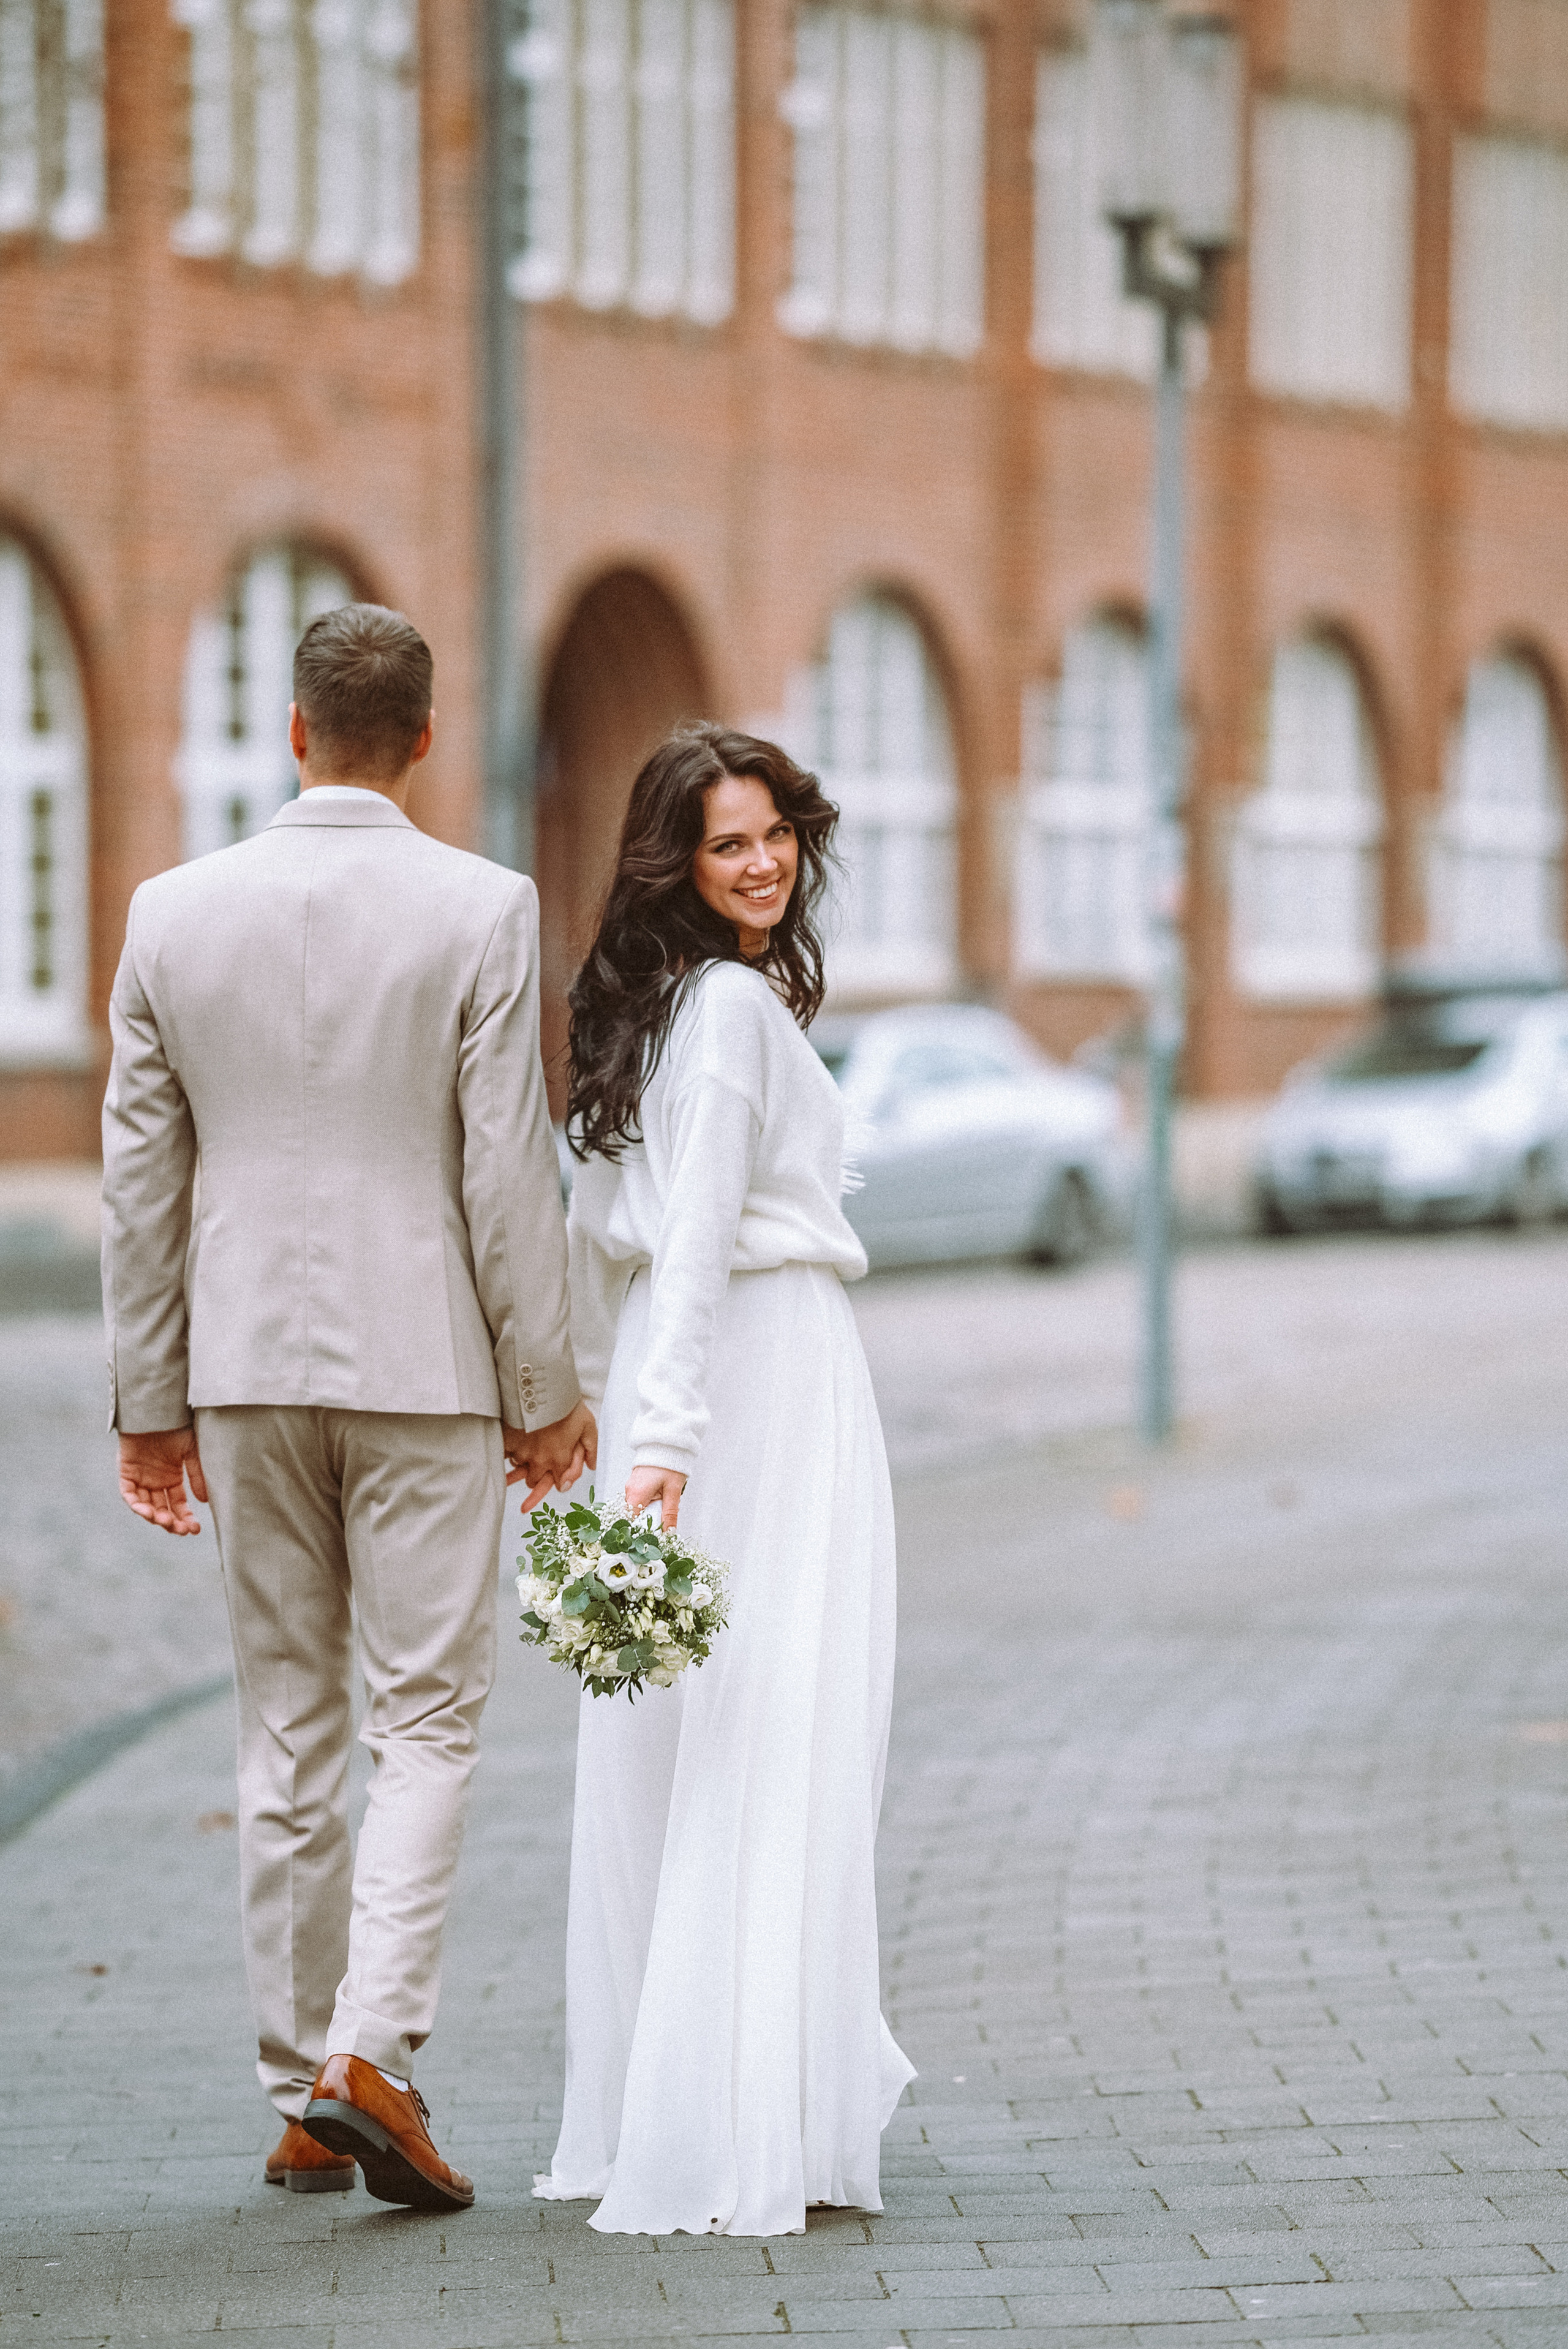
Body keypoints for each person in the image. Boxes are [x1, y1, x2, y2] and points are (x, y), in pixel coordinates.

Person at [100, 603, 595, 2211]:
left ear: (296, 729)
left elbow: (140, 1181)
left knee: (286, 1726)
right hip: (425, 1367)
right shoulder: (482, 906)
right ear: (426, 738)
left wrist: (148, 1400)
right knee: (426, 1718)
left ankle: (302, 2090)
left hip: (244, 1368)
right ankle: (368, 2052)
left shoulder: (170, 914)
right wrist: (545, 1388)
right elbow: (506, 1165)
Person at [533, 723, 914, 2238]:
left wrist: (599, 1403)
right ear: (675, 865)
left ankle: (681, 2103)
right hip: (756, 1381)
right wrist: (660, 1451)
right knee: (776, 1730)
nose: (762, 864)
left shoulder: (656, 1009)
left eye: (774, 835)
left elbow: (595, 1234)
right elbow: (686, 1240)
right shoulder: (734, 1010)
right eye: (727, 844)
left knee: (678, 1745)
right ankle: (738, 2124)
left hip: (676, 1373)